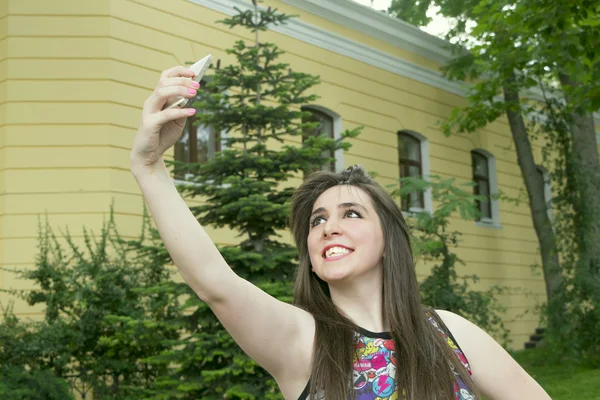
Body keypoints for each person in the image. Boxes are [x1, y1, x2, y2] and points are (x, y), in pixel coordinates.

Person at [130, 66, 552, 400]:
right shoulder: (302, 341)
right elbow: (216, 284)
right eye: (317, 220)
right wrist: (149, 167)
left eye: (351, 213)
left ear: (388, 240)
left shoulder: (450, 333)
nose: (329, 226)